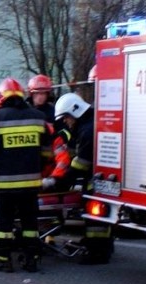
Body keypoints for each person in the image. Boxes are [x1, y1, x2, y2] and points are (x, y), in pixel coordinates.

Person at [0, 77, 50, 273]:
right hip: (31, 183)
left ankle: (4, 260)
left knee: (4, 224)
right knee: (30, 223)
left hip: (3, 184)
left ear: (1, 97)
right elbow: (47, 152)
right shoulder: (37, 117)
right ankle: (32, 260)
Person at [45, 92, 113, 264]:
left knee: (95, 219)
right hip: (99, 178)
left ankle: (97, 253)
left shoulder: (87, 130)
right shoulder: (86, 125)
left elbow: (80, 165)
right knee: (99, 218)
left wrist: (58, 183)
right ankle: (98, 245)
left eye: (67, 118)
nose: (66, 122)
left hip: (96, 180)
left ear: (75, 111)